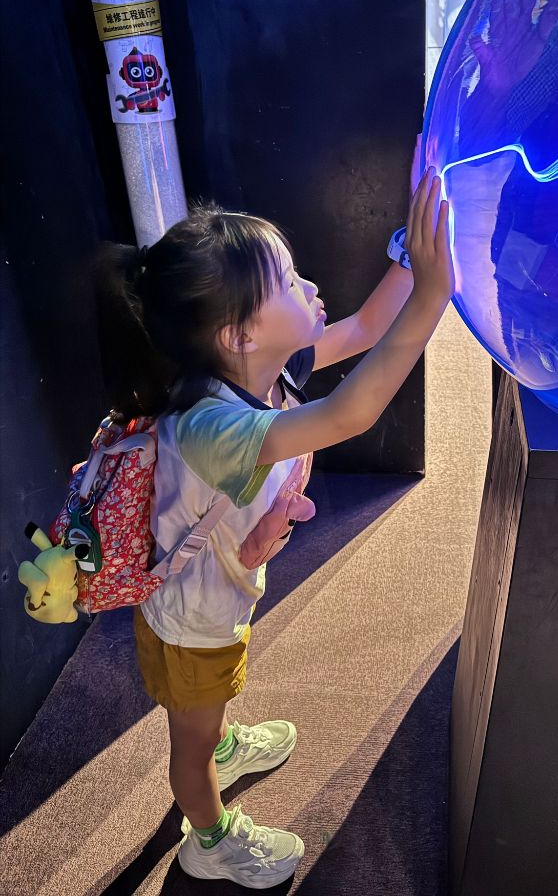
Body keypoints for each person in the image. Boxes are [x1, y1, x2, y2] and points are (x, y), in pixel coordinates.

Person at [95, 166, 452, 888]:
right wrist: (433, 296)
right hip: (194, 619)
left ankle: (223, 746)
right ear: (238, 334)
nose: (310, 285)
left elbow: (366, 328)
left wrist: (410, 255)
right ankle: (208, 839)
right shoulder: (214, 428)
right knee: (191, 742)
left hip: (218, 589)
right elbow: (350, 414)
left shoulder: (264, 369)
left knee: (210, 708)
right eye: (288, 281)